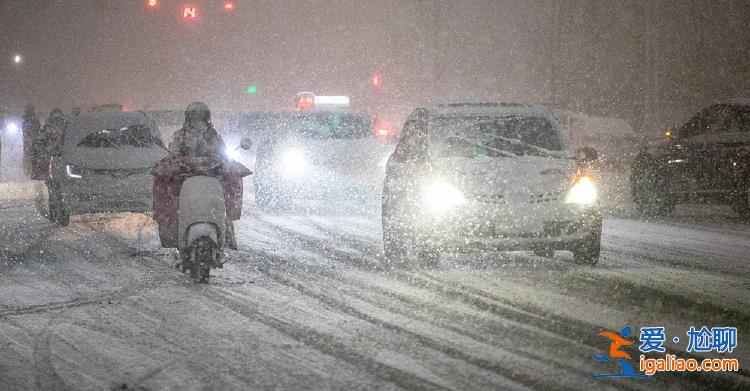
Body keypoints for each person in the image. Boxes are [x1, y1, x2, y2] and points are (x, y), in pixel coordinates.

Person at [31, 109, 67, 179]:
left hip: (50, 157)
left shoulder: (46, 132)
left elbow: (35, 154)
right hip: (57, 157)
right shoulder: (66, 131)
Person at [22, 104, 42, 177]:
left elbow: (38, 128)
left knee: (31, 155)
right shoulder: (27, 118)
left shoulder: (33, 118)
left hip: (32, 139)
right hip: (29, 139)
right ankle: (28, 170)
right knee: (29, 155)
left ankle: (30, 170)